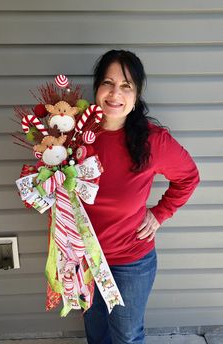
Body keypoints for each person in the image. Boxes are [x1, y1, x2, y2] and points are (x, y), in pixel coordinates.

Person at [82, 50, 200, 344]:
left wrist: (159, 214)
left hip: (130, 261)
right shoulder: (72, 133)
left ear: (136, 96)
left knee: (127, 335)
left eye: (126, 86)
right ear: (97, 88)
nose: (115, 93)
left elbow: (188, 177)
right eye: (108, 83)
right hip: (83, 259)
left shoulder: (153, 141)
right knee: (96, 334)